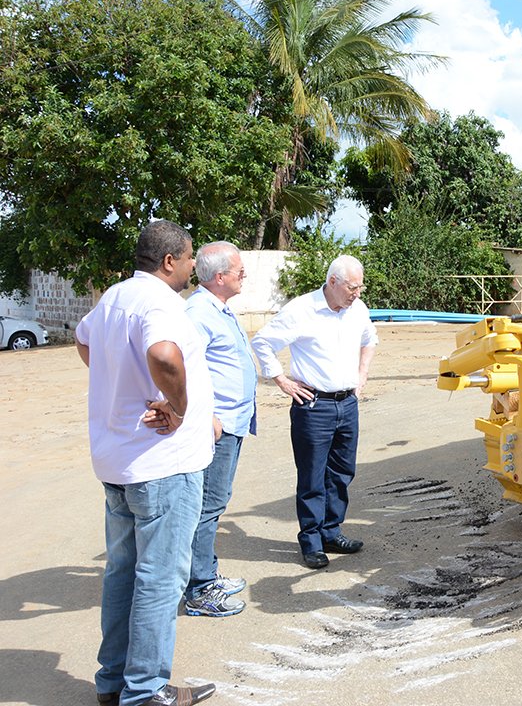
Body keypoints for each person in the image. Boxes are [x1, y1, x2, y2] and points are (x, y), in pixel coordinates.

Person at [75, 220, 218, 706]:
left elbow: (84, 340)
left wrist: (121, 382)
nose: (194, 264)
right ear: (169, 262)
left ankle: (113, 683)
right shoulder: (161, 303)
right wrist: (175, 405)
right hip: (162, 465)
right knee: (160, 578)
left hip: (120, 463)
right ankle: (146, 690)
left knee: (122, 573)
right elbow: (164, 354)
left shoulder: (115, 296)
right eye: (190, 255)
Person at [250, 255, 378, 569]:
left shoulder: (357, 310)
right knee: (312, 477)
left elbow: (369, 339)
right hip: (314, 406)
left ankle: (331, 532)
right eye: (352, 287)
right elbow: (263, 342)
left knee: (341, 473)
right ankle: (311, 540)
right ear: (332, 282)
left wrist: (362, 375)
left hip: (347, 404)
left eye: (360, 287)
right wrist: (281, 379)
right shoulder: (301, 310)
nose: (357, 293)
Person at [180, 241, 258, 618]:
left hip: (231, 424)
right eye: (240, 271)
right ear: (220, 276)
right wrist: (208, 415)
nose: (245, 276)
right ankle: (198, 588)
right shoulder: (198, 313)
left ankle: (205, 573)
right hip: (217, 427)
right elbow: (185, 370)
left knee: (214, 503)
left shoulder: (218, 308)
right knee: (207, 506)